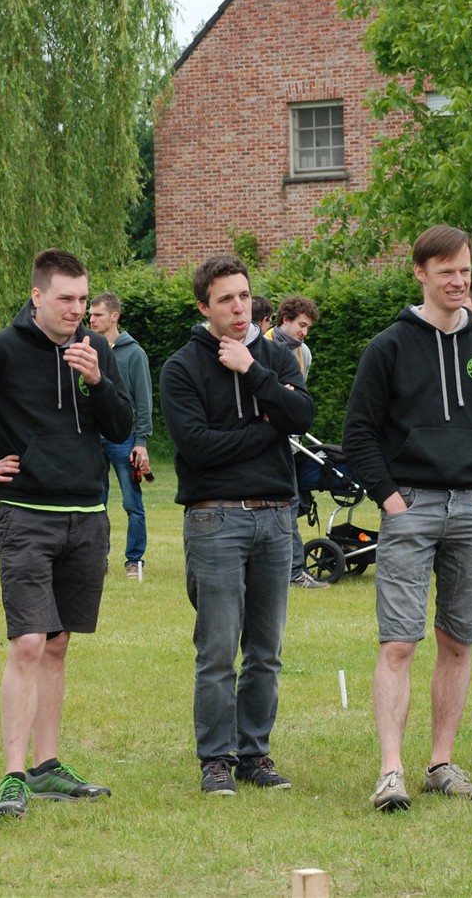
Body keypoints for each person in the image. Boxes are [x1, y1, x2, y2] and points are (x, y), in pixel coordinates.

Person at [342, 224, 472, 812]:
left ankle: (440, 764)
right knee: (399, 642)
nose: (458, 281)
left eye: (465, 270)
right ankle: (390, 772)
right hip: (411, 508)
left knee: (459, 641)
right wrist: (391, 500)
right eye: (446, 271)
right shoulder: (388, 347)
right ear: (420, 273)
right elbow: (359, 434)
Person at [0, 249, 133, 820]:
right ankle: (12, 776)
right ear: (37, 296)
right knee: (28, 642)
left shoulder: (96, 348)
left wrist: (97, 381)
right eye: (65, 299)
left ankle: (47, 766)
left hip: (88, 515)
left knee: (57, 644)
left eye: (83, 300)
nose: (77, 310)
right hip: (26, 515)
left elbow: (122, 427)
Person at [160, 254, 315, 795]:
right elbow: (198, 448)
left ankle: (255, 755)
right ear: (203, 307)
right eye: (225, 299)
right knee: (218, 651)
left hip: (276, 518)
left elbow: (302, 417)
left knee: (266, 651)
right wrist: (269, 430)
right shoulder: (181, 368)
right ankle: (216, 759)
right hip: (215, 518)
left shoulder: (275, 358)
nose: (238, 307)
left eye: (244, 296)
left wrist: (252, 371)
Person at [88, 291, 153, 578]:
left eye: (97, 314)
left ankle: (134, 561)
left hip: (124, 438)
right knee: (95, 503)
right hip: (93, 439)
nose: (91, 319)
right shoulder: (88, 348)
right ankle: (97, 560)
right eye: (90, 314)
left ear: (114, 316)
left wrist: (141, 442)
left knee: (132, 503)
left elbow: (144, 401)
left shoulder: (134, 353)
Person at [264, 295, 327, 589]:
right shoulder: (261, 345)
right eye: (301, 325)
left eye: (308, 328)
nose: (304, 332)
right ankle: (290, 571)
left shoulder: (305, 354)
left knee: (290, 502)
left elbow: (298, 399)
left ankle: (291, 569)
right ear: (285, 319)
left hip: (288, 441)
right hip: (262, 440)